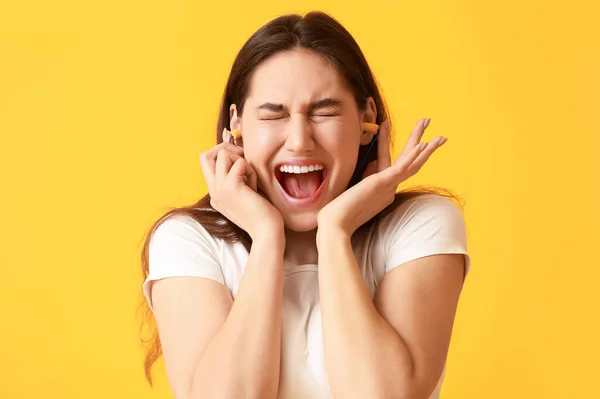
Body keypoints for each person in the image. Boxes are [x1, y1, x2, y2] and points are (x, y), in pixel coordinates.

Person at [139, 11, 471, 399]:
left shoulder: (420, 225)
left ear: (367, 118)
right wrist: (266, 237)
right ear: (237, 124)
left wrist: (334, 233)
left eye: (324, 111)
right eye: (272, 114)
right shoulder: (188, 241)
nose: (299, 140)